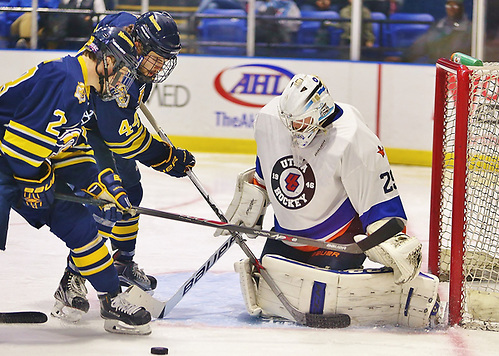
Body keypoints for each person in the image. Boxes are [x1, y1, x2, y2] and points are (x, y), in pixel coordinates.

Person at [218, 74, 440, 327]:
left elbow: (380, 199)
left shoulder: (354, 137)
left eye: (302, 123)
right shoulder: (270, 118)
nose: (294, 130)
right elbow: (266, 164)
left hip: (336, 240)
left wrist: (388, 238)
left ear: (321, 111)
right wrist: (255, 194)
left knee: (322, 304)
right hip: (286, 236)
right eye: (290, 122)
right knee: (268, 300)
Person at [0, 26, 153, 335]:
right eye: (124, 70)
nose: (125, 80)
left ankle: (111, 299)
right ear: (107, 62)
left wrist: (102, 184)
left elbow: (70, 147)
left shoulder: (85, 92)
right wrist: (36, 182)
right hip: (12, 164)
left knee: (82, 226)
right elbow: (18, 146)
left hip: (26, 167)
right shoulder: (63, 78)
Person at [50, 11, 196, 322]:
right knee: (108, 202)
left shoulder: (133, 33)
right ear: (140, 47)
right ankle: (70, 278)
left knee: (132, 190)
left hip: (109, 118)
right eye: (157, 58)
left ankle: (122, 263)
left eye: (166, 60)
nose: (160, 67)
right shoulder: (120, 70)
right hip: (85, 126)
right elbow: (121, 139)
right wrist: (167, 157)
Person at [391, 0, 471, 63]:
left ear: (462, 8)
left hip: (458, 71)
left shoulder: (471, 30)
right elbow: (420, 45)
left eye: (455, 5)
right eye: (449, 5)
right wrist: (403, 58)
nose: (451, 8)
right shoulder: (438, 26)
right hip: (435, 68)